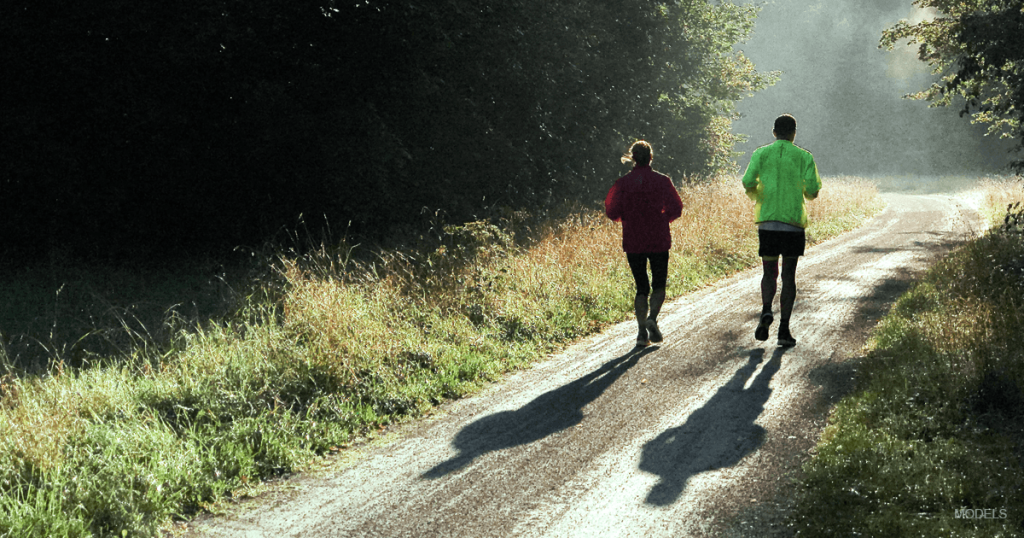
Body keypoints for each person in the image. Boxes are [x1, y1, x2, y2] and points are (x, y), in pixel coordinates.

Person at [741, 114, 821, 346]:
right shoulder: (804, 156)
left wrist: (759, 196)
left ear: (774, 132)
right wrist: (804, 194)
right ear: (794, 133)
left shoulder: (760, 153)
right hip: (793, 224)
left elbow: (747, 181)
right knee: (788, 275)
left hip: (767, 222)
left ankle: (766, 310)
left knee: (768, 272)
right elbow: (813, 190)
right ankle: (784, 330)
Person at [605, 140, 684, 347]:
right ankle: (653, 319)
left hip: (633, 240)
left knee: (641, 287)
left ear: (632, 157)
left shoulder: (622, 183)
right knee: (659, 284)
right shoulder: (662, 181)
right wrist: (662, 218)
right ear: (651, 157)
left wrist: (628, 218)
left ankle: (641, 333)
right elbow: (676, 207)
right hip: (658, 238)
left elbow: (611, 211)